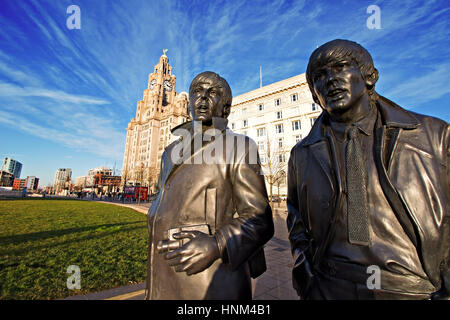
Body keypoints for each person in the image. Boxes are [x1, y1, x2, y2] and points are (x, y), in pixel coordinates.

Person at [287, 39, 449, 300]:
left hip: (410, 286)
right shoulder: (301, 153)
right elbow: (295, 218)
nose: (329, 80)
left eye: (340, 68)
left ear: (369, 77)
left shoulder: (433, 136)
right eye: (319, 76)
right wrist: (302, 261)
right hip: (327, 283)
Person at [145, 71, 274, 300]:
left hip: (209, 282)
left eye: (212, 93)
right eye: (197, 92)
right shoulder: (169, 153)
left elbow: (259, 218)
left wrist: (217, 244)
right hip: (162, 279)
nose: (202, 98)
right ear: (189, 105)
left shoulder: (240, 147)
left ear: (225, 108)